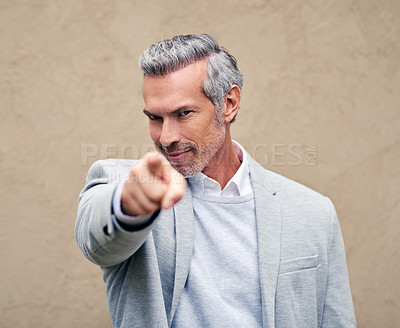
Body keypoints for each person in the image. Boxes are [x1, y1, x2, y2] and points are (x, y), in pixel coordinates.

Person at [75, 34, 356, 328]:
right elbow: (97, 240)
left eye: (183, 113)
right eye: (155, 118)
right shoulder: (126, 183)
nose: (166, 137)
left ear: (229, 103)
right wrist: (130, 205)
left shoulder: (313, 211)